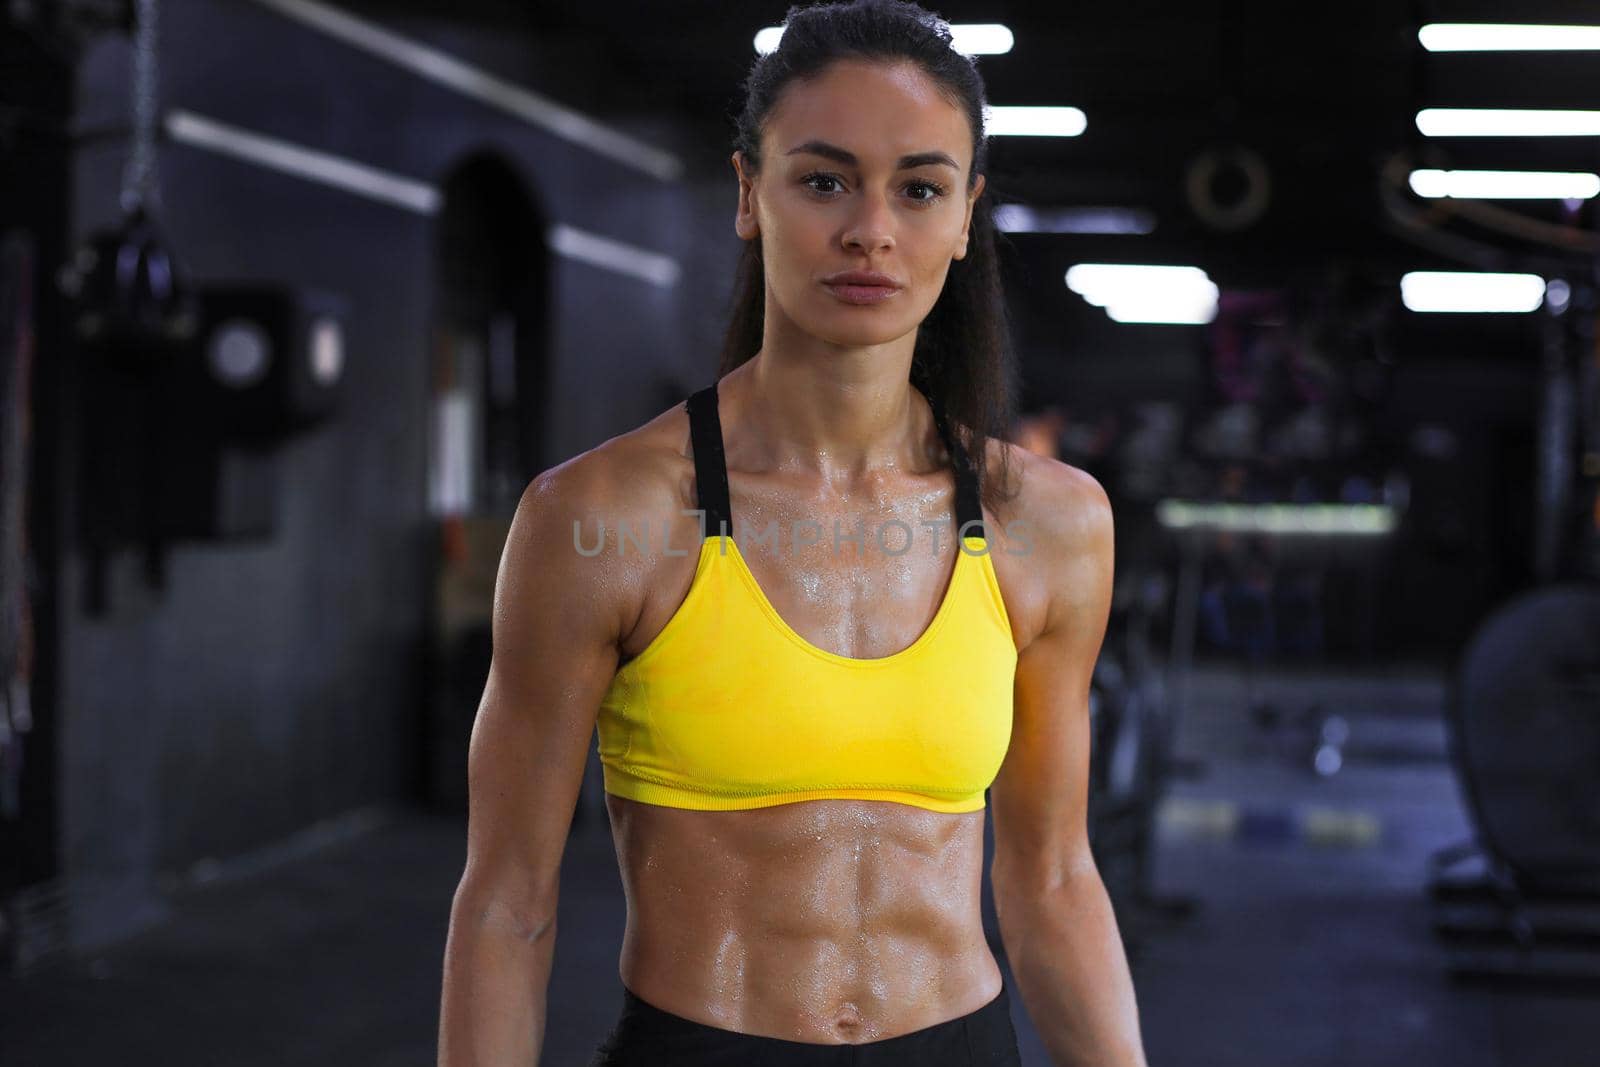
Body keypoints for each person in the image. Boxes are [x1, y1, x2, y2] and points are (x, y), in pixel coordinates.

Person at [437, 2, 1148, 1064]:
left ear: (964, 218)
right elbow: (505, 900)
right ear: (747, 194)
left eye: (918, 187)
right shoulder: (603, 517)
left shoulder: (1047, 523)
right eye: (824, 180)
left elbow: (1050, 876)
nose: (871, 228)